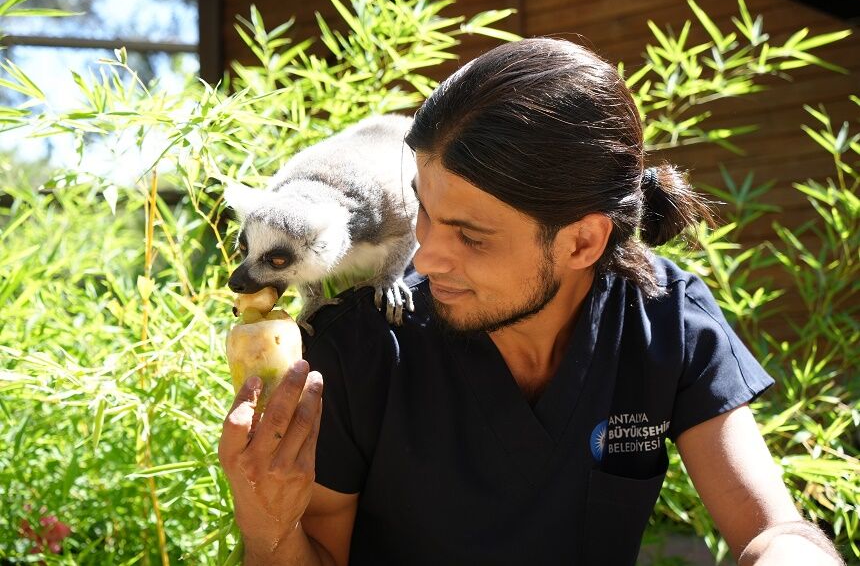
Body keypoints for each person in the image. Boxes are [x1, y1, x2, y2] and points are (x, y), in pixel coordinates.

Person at [218, 38, 844, 565]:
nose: (426, 257)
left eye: (470, 235)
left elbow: (771, 529)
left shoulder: (662, 317)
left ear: (583, 241)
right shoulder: (361, 341)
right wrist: (267, 526)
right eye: (424, 214)